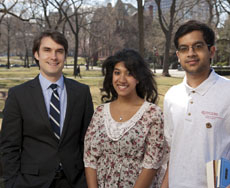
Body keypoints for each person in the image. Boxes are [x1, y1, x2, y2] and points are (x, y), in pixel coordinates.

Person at [160, 20, 230, 188]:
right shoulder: (171, 96)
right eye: (184, 48)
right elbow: (174, 150)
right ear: (178, 55)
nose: (191, 53)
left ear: (211, 51)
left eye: (198, 46)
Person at [0, 30, 94, 188]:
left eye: (59, 51)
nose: (54, 57)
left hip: (75, 181)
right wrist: (12, 183)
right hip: (31, 182)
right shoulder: (18, 95)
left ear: (65, 55)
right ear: (36, 54)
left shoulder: (82, 93)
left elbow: (89, 143)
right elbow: (10, 146)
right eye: (47, 50)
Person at [84, 48, 168, 187]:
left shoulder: (152, 114)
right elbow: (90, 158)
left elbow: (151, 164)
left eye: (129, 74)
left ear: (139, 78)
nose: (122, 79)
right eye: (117, 73)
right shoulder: (100, 112)